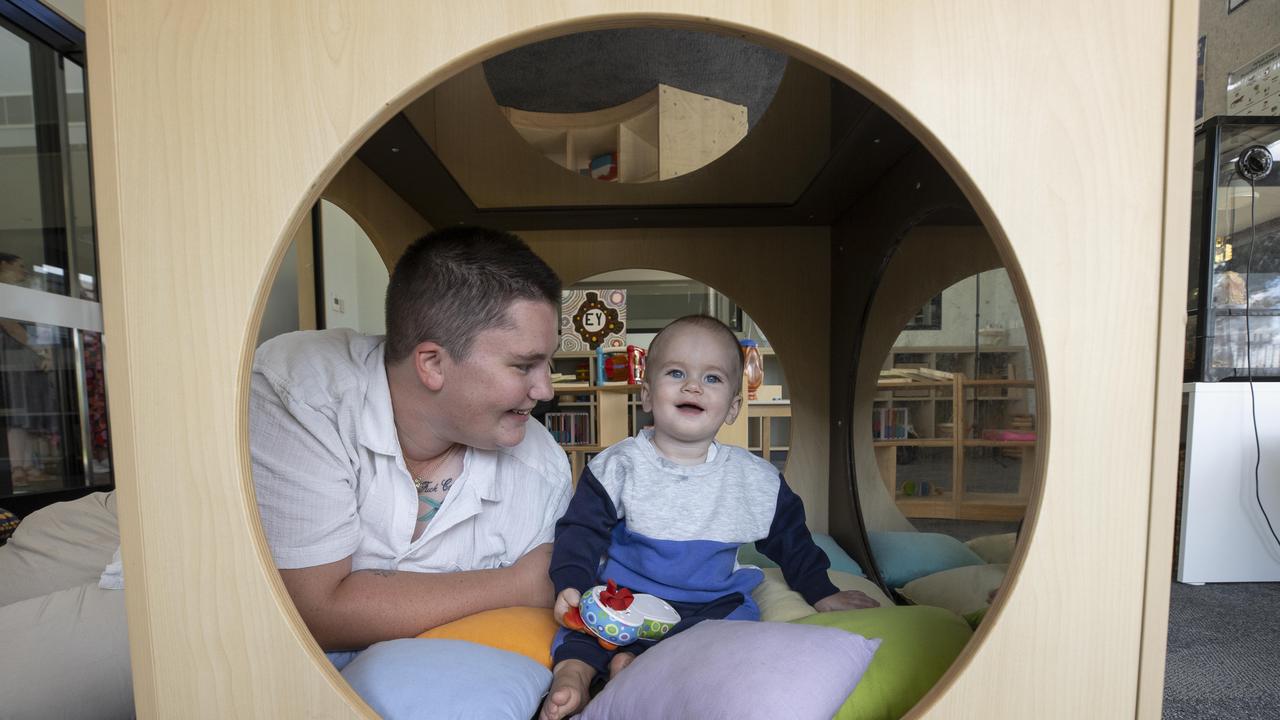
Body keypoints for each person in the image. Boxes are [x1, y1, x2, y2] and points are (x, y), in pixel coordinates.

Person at [249, 227, 573, 719]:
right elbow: (308, 613)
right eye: (525, 365)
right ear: (432, 364)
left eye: (547, 363)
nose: (546, 390)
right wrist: (517, 584)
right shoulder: (303, 392)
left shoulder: (541, 465)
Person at [540, 315, 880, 720]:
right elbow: (580, 532)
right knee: (585, 632)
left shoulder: (753, 479)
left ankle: (636, 671)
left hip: (709, 605)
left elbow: (791, 539)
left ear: (733, 407)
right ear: (647, 394)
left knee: (731, 638)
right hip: (625, 598)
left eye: (713, 379)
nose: (693, 386)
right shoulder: (619, 465)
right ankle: (573, 678)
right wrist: (571, 583)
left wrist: (821, 591)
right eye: (676, 372)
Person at [1, 252, 56, 491]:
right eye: (20, 266)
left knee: (26, 412)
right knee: (18, 411)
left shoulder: (16, 294)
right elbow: (10, 325)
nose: (24, 271)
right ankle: (19, 468)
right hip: (13, 357)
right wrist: (39, 349)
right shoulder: (6, 293)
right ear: (3, 265)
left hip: (22, 357)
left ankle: (27, 467)